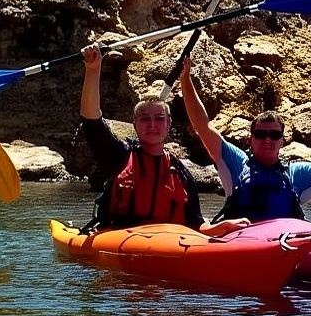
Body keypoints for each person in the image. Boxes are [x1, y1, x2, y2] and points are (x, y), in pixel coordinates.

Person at [77, 43, 245, 235]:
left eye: (159, 119)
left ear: (168, 125)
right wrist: (92, 70)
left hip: (164, 245)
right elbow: (92, 121)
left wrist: (219, 228)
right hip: (118, 242)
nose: (152, 125)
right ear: (135, 124)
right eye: (145, 119)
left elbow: (196, 224)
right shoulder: (119, 156)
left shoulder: (180, 172)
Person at [179, 56, 311, 221]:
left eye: (274, 135)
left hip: (281, 245)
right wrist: (185, 80)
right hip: (242, 243)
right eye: (261, 134)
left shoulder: (296, 173)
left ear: (282, 141)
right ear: (251, 140)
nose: (267, 140)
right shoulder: (237, 163)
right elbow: (202, 127)